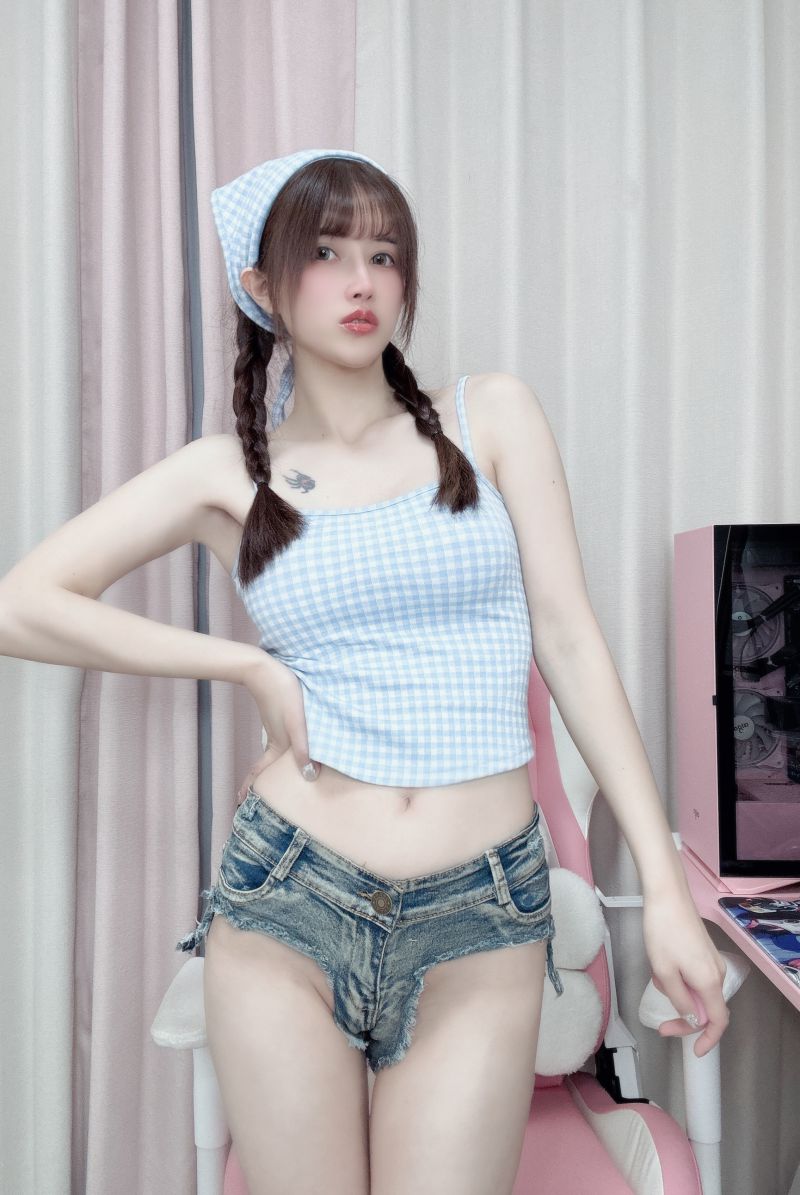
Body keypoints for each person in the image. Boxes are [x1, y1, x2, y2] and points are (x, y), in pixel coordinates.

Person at [0, 148, 729, 1195]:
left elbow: (571, 644)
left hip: (482, 912)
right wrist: (243, 666)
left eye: (384, 255)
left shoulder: (490, 418)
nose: (361, 281)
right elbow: (21, 603)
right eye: (327, 252)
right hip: (288, 899)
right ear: (261, 286)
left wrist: (663, 890)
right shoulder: (228, 473)